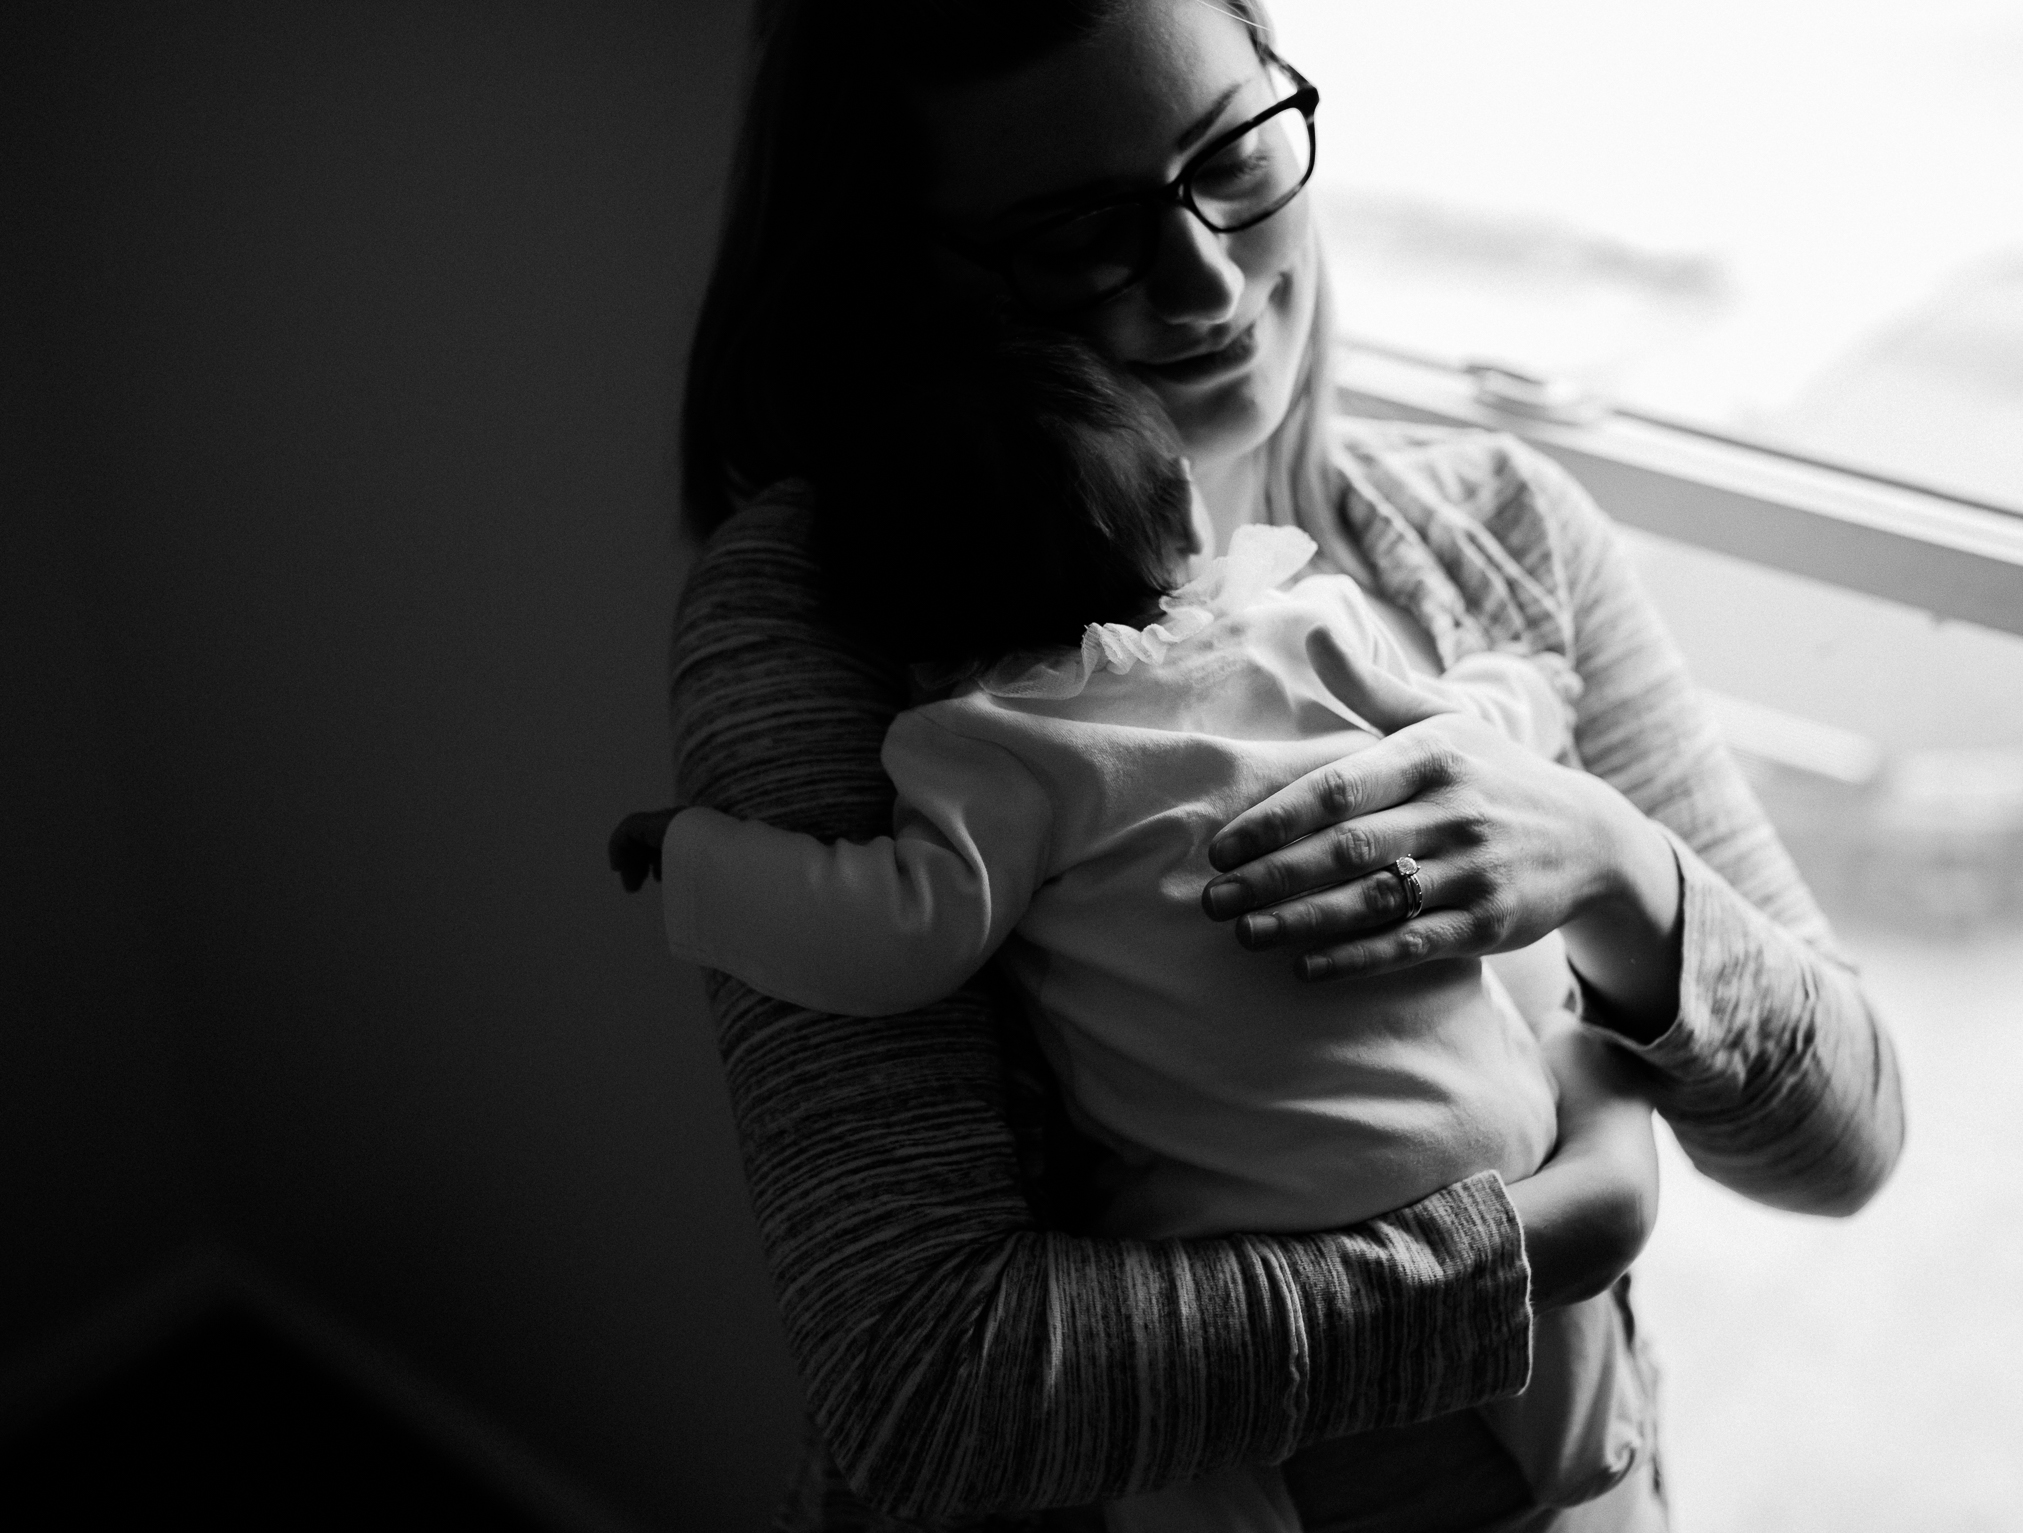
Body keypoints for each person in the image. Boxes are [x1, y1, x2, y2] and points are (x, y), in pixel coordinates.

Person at [648, 2, 1906, 1528]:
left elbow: (1848, 1140)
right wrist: (1534, 1245)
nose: (1207, 273)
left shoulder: (1506, 542)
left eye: (1231, 150)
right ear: (920, 280)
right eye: (1076, 231)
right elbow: (925, 1387)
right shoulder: (844, 613)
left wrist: (1610, 863)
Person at [614, 329, 1652, 1529]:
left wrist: (696, 856)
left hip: (1255, 1205)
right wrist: (1532, 680)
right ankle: (1585, 1449)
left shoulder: (996, 748)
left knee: (1164, 1417)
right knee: (1555, 1359)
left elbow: (893, 931)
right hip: (1497, 1124)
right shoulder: (1302, 627)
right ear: (1184, 520)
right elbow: (1461, 736)